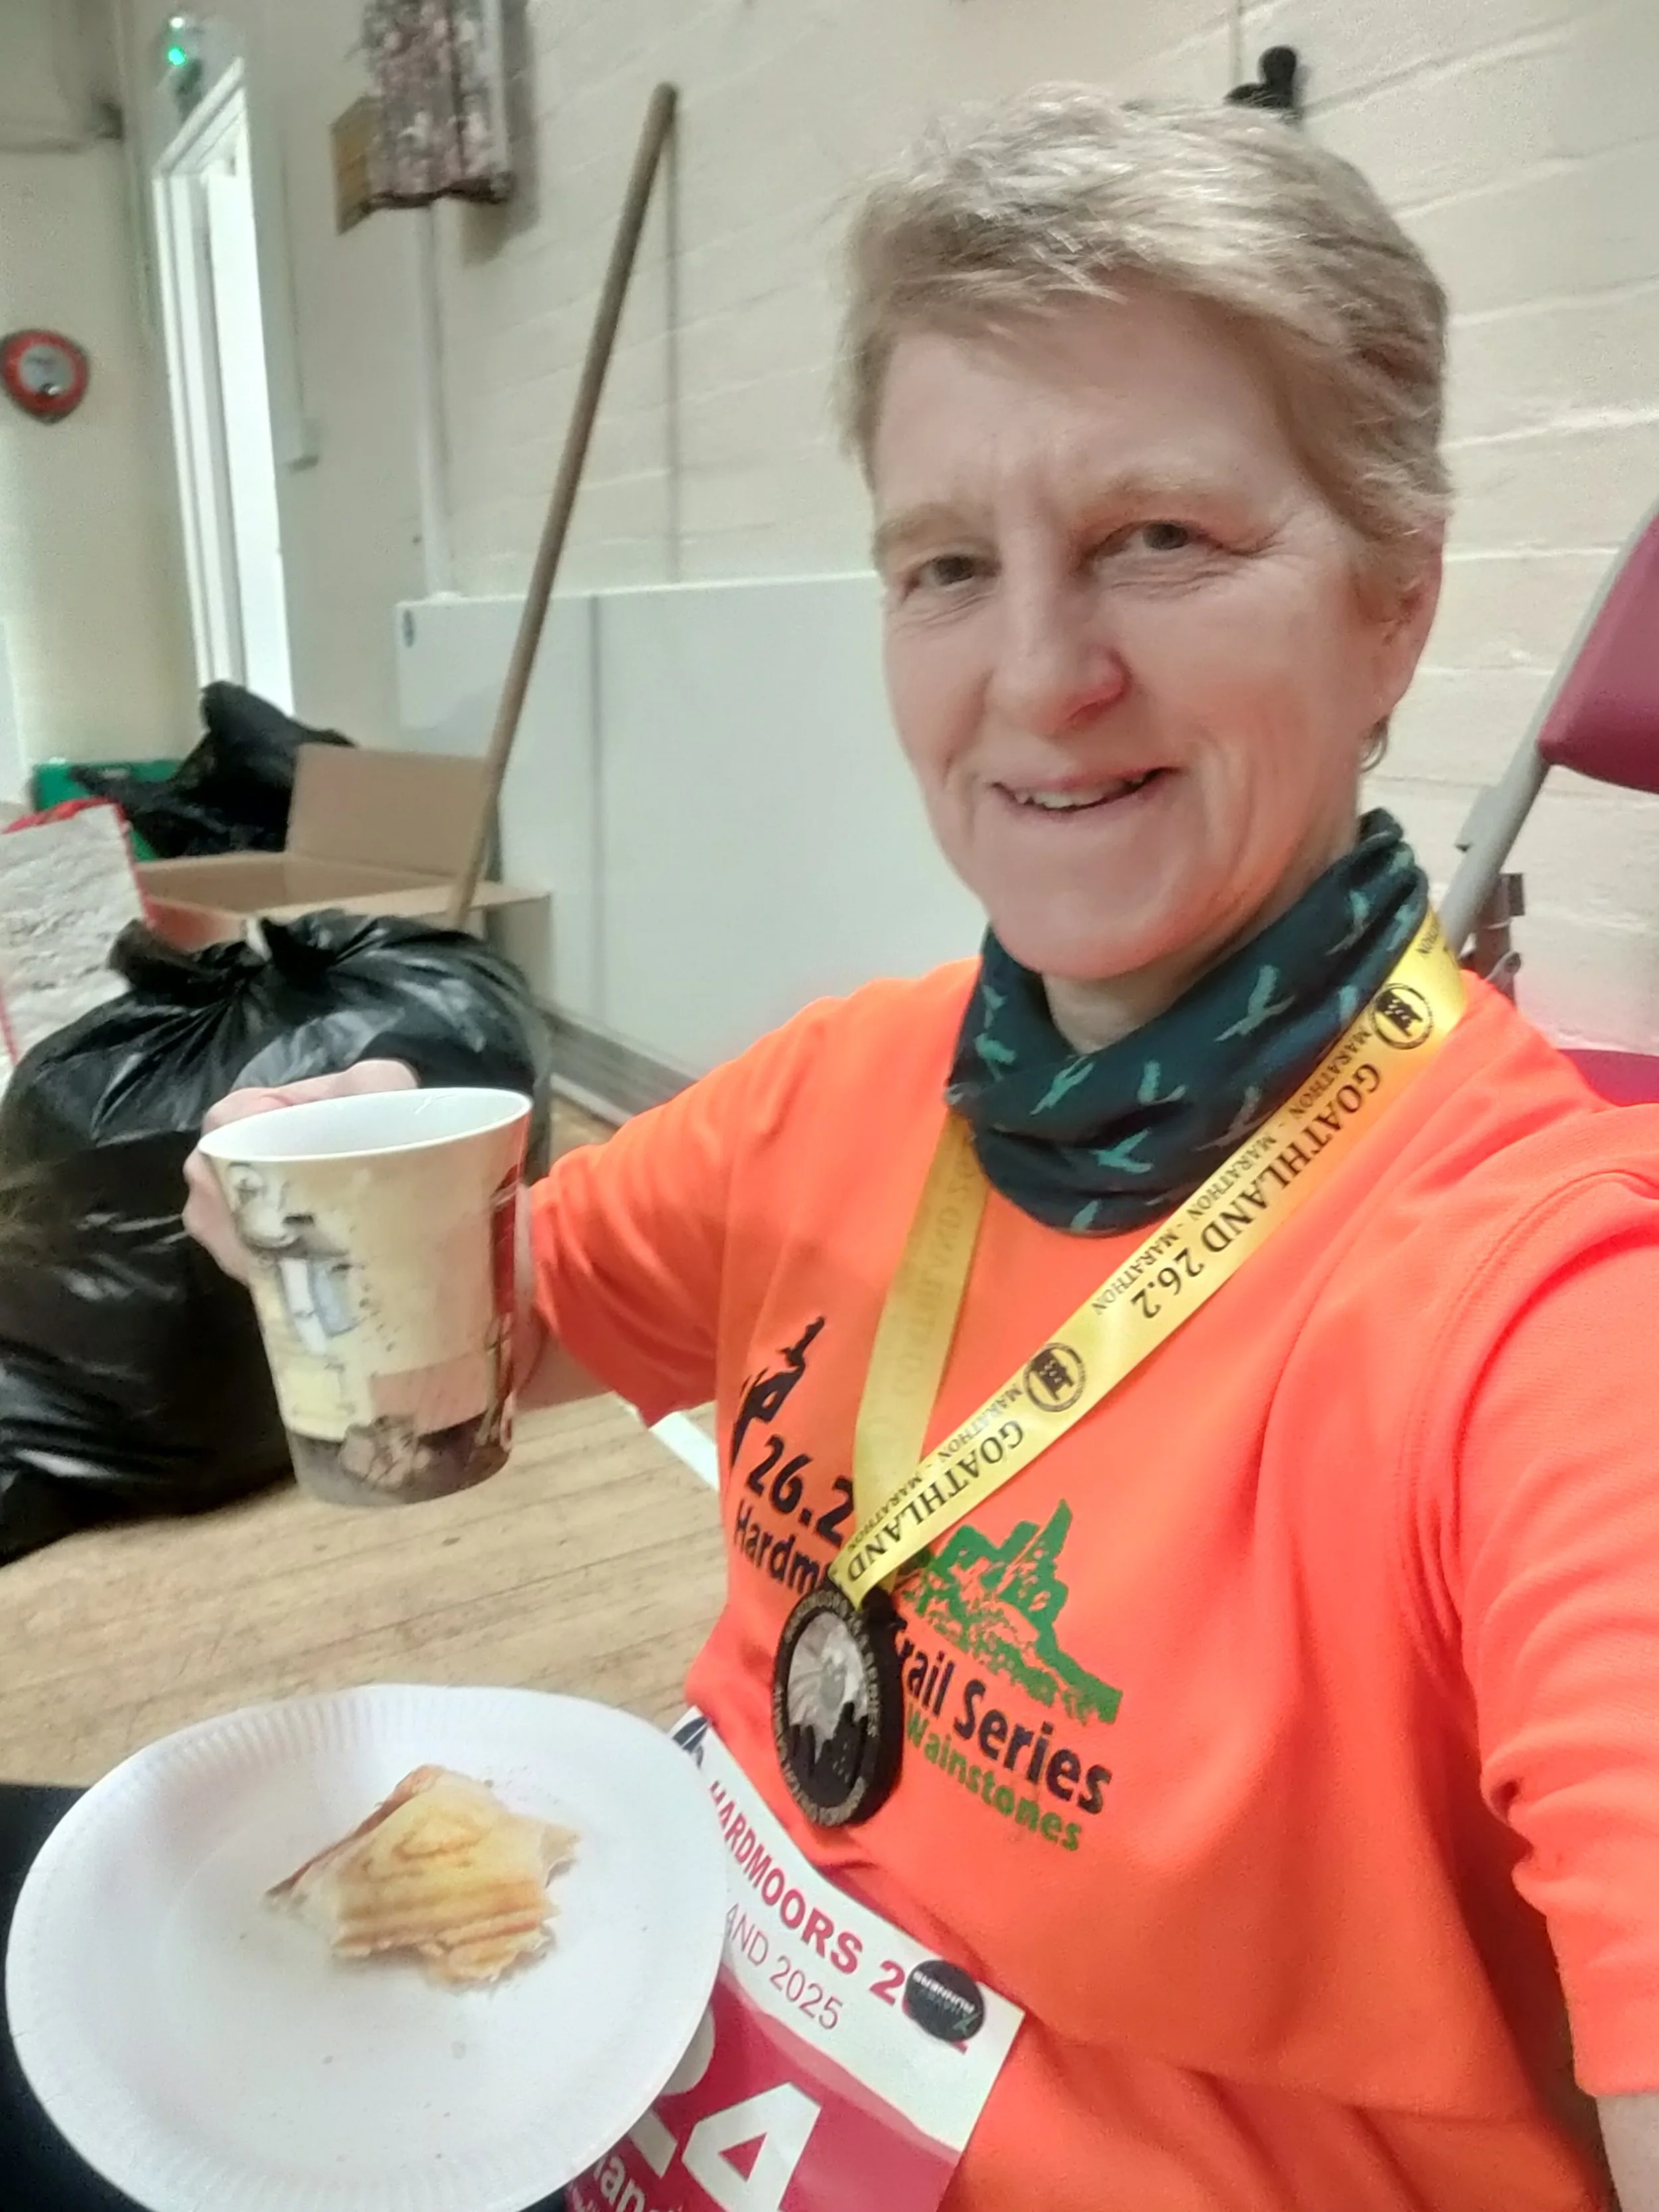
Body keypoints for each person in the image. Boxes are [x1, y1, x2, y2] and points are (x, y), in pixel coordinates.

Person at [185, 90, 1659, 2212]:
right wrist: (324, 1219)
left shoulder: (1552, 1318)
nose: (1041, 678)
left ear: (1396, 602)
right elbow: (479, 1358)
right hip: (641, 2069)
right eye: (948, 567)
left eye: (1161, 537)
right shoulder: (846, 1089)